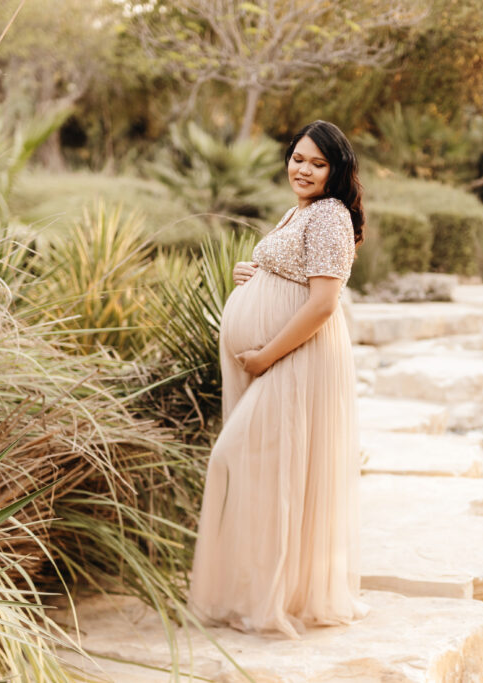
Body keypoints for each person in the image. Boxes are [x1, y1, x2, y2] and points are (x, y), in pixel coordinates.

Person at [188, 120, 369, 639]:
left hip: (297, 359)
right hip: (282, 360)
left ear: (335, 171)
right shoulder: (303, 212)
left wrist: (265, 355)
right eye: (298, 158)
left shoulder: (331, 215)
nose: (304, 169)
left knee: (246, 461)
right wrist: (257, 273)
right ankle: (260, 591)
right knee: (266, 471)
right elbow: (297, 273)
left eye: (317, 163)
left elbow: (324, 302)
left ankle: (270, 600)